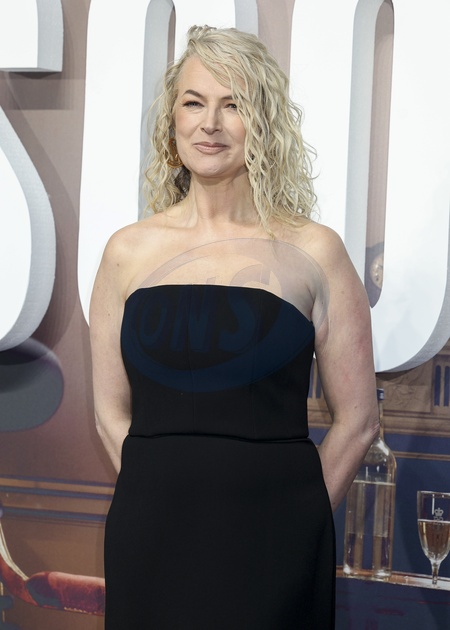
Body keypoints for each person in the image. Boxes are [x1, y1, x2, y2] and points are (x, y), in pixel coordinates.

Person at [89, 25, 379, 629]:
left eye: (234, 105)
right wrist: (159, 492)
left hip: (276, 547)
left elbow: (358, 421)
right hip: (151, 541)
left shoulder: (316, 251)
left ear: (263, 122)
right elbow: (110, 414)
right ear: (172, 121)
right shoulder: (126, 252)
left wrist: (299, 516)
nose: (210, 124)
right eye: (194, 103)